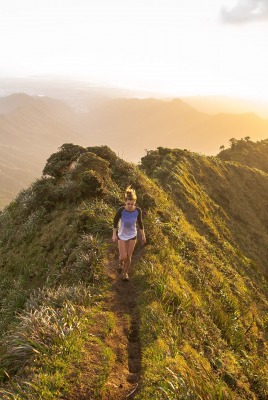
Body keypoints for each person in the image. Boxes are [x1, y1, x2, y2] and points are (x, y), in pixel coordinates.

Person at [112, 186, 146, 281]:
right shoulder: (121, 210)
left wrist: (143, 235)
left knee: (128, 256)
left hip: (132, 235)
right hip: (122, 235)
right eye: (128, 204)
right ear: (125, 202)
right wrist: (114, 234)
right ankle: (120, 263)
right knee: (123, 256)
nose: (130, 206)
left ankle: (125, 273)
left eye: (132, 204)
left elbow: (140, 223)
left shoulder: (137, 211)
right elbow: (115, 221)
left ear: (134, 203)